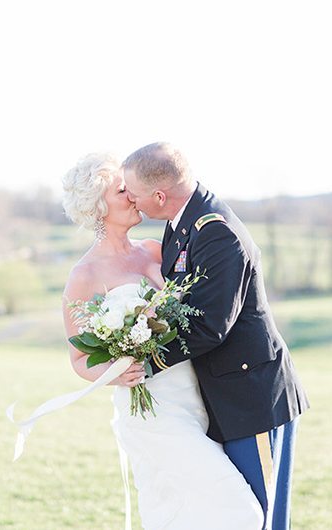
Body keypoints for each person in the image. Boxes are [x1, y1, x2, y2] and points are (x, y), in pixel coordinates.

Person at [61, 152, 264, 530]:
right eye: (122, 190)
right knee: (238, 510)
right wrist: (119, 372)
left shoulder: (157, 248)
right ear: (99, 207)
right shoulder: (84, 275)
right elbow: (78, 359)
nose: (133, 195)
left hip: (195, 398)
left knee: (188, 513)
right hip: (151, 412)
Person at [122, 142, 310, 530]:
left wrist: (147, 362)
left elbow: (210, 325)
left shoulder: (216, 233)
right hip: (223, 398)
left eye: (134, 193)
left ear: (159, 195)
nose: (132, 202)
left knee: (261, 517)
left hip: (251, 397)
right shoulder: (182, 225)